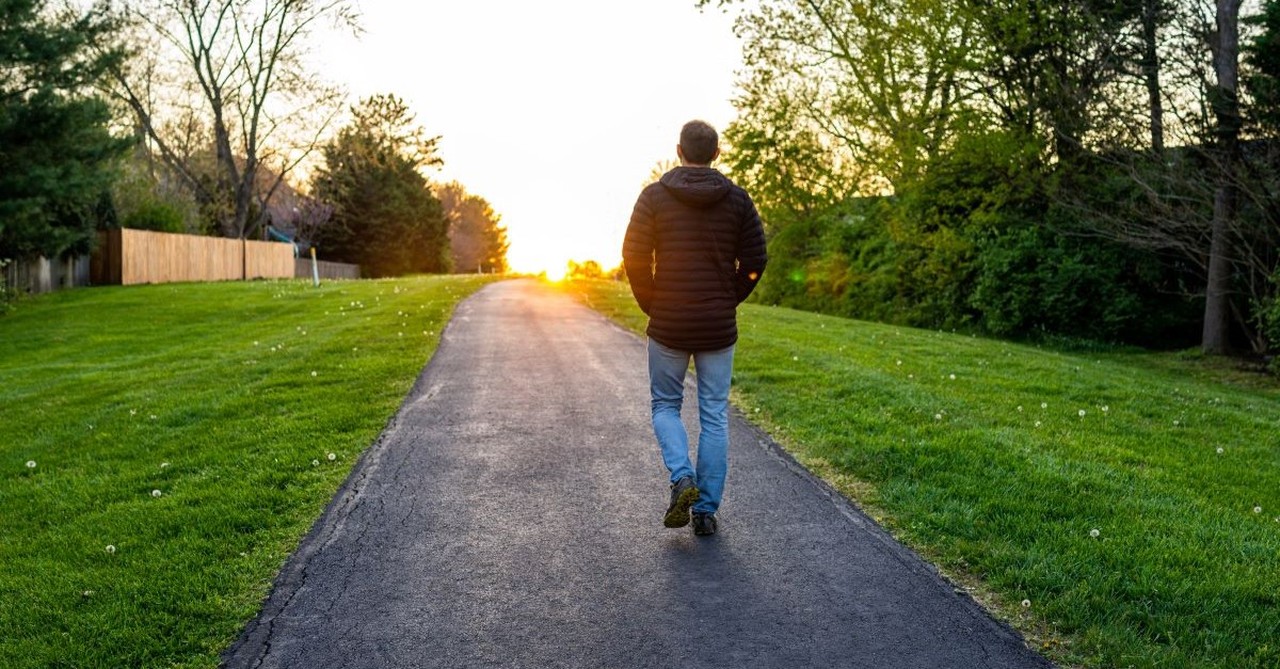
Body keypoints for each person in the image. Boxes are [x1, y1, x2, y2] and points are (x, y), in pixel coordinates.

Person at [622, 120, 768, 536]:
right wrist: (729, 297)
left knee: (665, 405)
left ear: (679, 151)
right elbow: (756, 261)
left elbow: (633, 256)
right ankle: (704, 511)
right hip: (717, 326)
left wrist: (652, 302)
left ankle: (681, 477)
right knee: (714, 414)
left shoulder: (654, 196)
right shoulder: (738, 200)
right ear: (716, 153)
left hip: (668, 321)